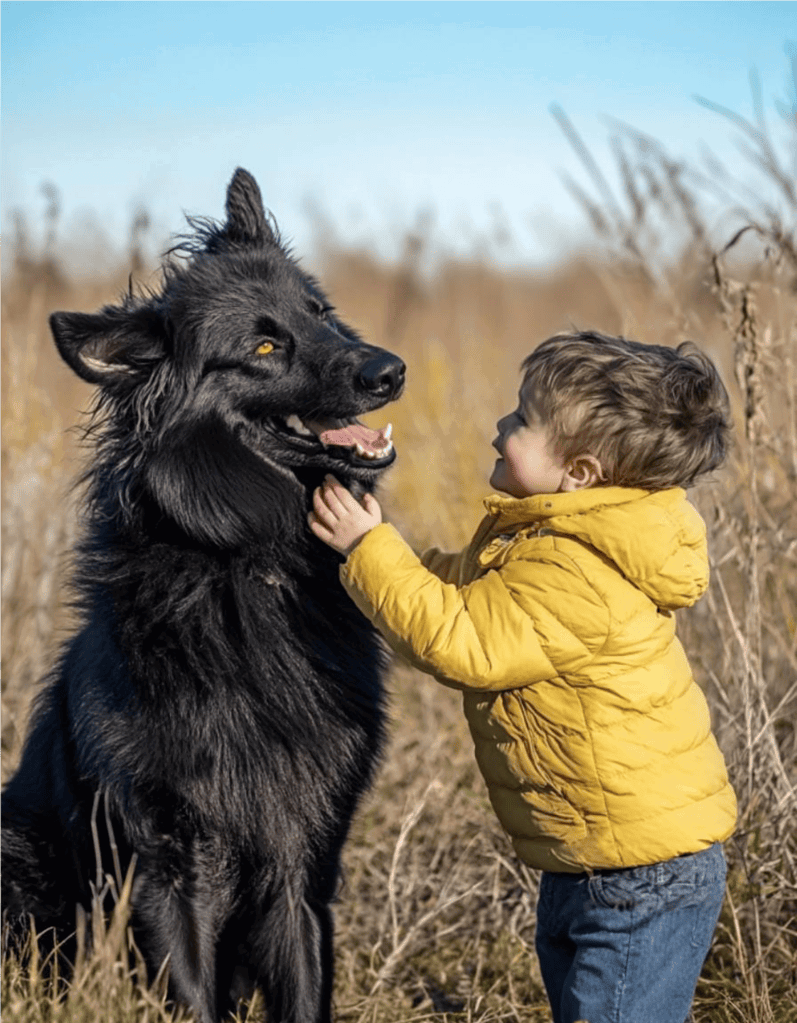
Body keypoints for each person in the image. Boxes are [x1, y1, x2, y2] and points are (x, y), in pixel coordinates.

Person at [309, 330, 737, 1023]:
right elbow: (468, 595)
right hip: (591, 856)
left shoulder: (578, 570)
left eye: (521, 421)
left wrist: (370, 551)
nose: (498, 429)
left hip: (642, 873)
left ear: (581, 472)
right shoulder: (546, 541)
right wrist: (386, 566)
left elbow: (463, 639)